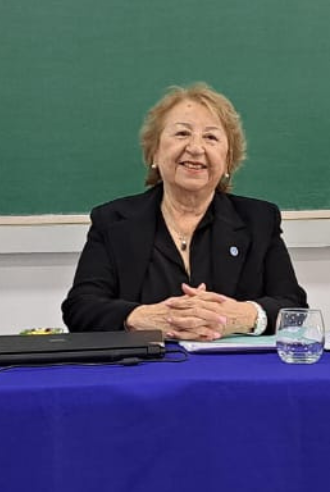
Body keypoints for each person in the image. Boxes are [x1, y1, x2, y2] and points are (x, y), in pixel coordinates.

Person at [62, 83, 307, 340]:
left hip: (232, 364)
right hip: (144, 363)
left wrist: (242, 316)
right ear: (154, 152)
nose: (196, 148)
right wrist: (139, 318)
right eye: (182, 133)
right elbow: (80, 309)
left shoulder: (259, 220)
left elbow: (294, 308)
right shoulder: (113, 221)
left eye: (211, 137)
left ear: (228, 160)